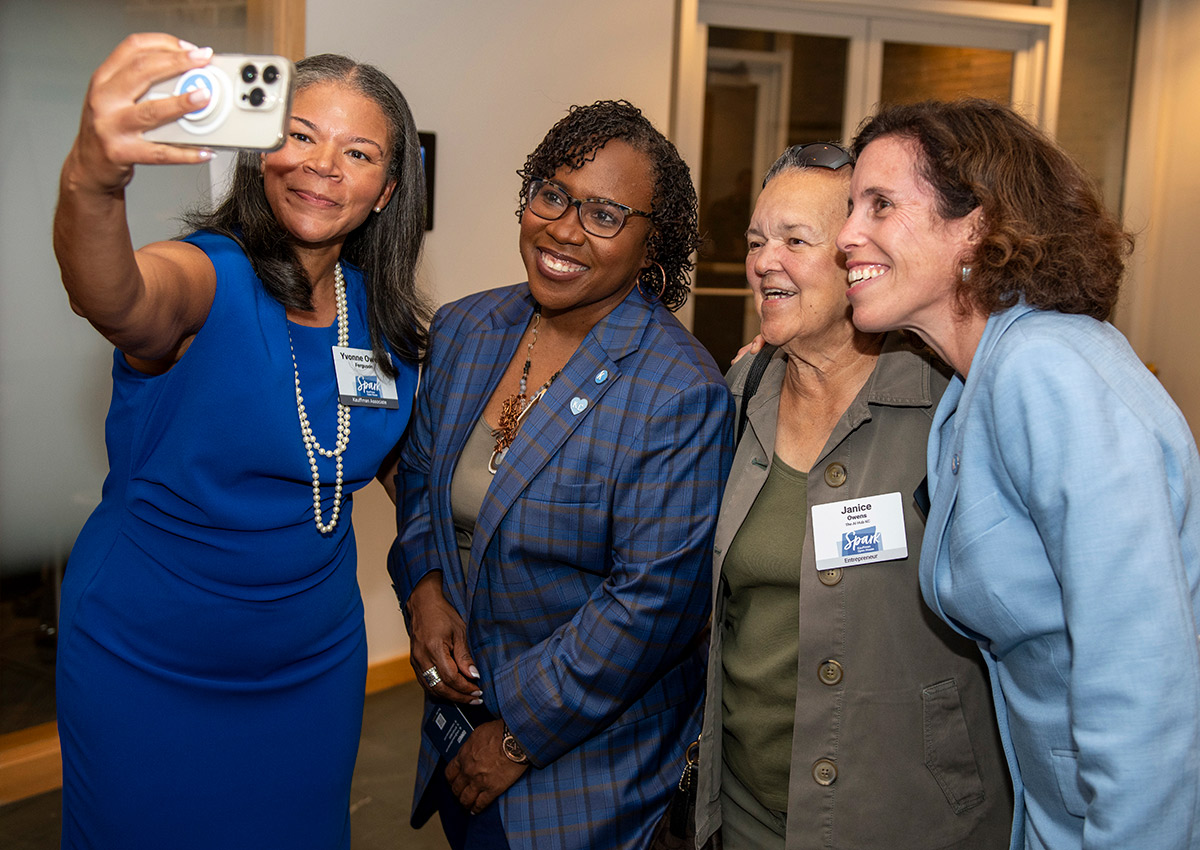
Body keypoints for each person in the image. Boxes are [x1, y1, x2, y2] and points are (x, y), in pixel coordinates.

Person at [52, 34, 427, 849]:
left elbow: (416, 477)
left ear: (387, 190)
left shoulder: (387, 323)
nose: (324, 164)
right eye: (299, 135)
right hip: (144, 659)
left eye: (357, 151)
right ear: (262, 153)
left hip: (310, 669)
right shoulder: (205, 275)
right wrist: (94, 173)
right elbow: (115, 297)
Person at [837, 98, 1200, 849]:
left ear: (976, 224)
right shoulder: (973, 386)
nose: (848, 236)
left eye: (880, 204)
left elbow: (1142, 674)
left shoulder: (1051, 368)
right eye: (850, 208)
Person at [388, 99, 734, 850]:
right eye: (554, 194)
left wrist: (516, 739)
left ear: (652, 246)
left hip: (585, 773)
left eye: (606, 214)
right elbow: (417, 475)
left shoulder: (678, 392)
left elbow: (652, 606)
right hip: (456, 729)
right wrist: (424, 590)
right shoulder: (466, 329)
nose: (566, 228)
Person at [694, 143, 1012, 849]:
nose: (762, 261)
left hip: (909, 821)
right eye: (755, 240)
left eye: (794, 240)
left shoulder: (951, 407)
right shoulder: (739, 395)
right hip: (749, 812)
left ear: (855, 258)